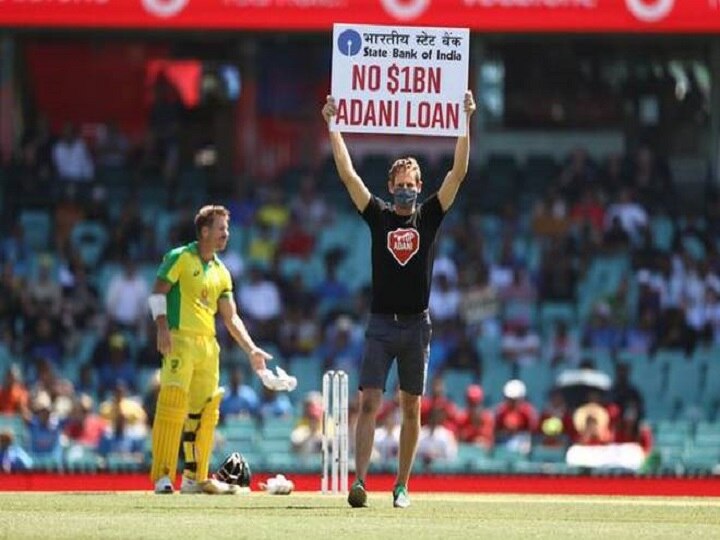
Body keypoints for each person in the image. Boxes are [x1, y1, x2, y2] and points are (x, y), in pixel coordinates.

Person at [322, 90, 476, 508]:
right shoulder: (379, 215)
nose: (407, 191)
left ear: (419, 187)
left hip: (416, 324)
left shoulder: (429, 215)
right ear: (390, 186)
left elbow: (458, 173)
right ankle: (359, 482)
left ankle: (402, 485)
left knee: (411, 405)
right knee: (368, 400)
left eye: (412, 185)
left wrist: (464, 121)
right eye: (400, 185)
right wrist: (334, 125)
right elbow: (348, 174)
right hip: (380, 322)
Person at [147, 205, 295, 495]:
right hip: (180, 339)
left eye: (227, 229)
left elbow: (231, 317)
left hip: (208, 345)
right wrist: (162, 328)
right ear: (204, 231)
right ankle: (163, 476)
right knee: (173, 403)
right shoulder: (179, 257)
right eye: (221, 229)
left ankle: (194, 477)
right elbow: (157, 293)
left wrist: (251, 349)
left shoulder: (222, 272)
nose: (226, 234)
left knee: (204, 411)